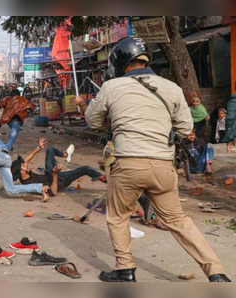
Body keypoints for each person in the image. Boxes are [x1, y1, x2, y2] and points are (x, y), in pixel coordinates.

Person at [85, 36, 230, 282]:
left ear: (121, 61)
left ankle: (125, 269)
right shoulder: (171, 87)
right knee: (177, 220)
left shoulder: (112, 87)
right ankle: (216, 272)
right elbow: (185, 128)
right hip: (162, 166)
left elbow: (93, 121)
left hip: (128, 164)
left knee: (118, 216)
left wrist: (115, 120)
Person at [12, 138, 105, 196]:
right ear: (21, 172)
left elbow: (27, 159)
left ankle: (66, 155)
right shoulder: (30, 184)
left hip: (50, 172)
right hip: (59, 182)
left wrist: (39, 147)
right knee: (86, 169)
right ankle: (106, 180)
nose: (26, 163)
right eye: (23, 165)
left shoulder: (23, 172)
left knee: (50, 149)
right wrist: (55, 174)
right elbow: (53, 192)